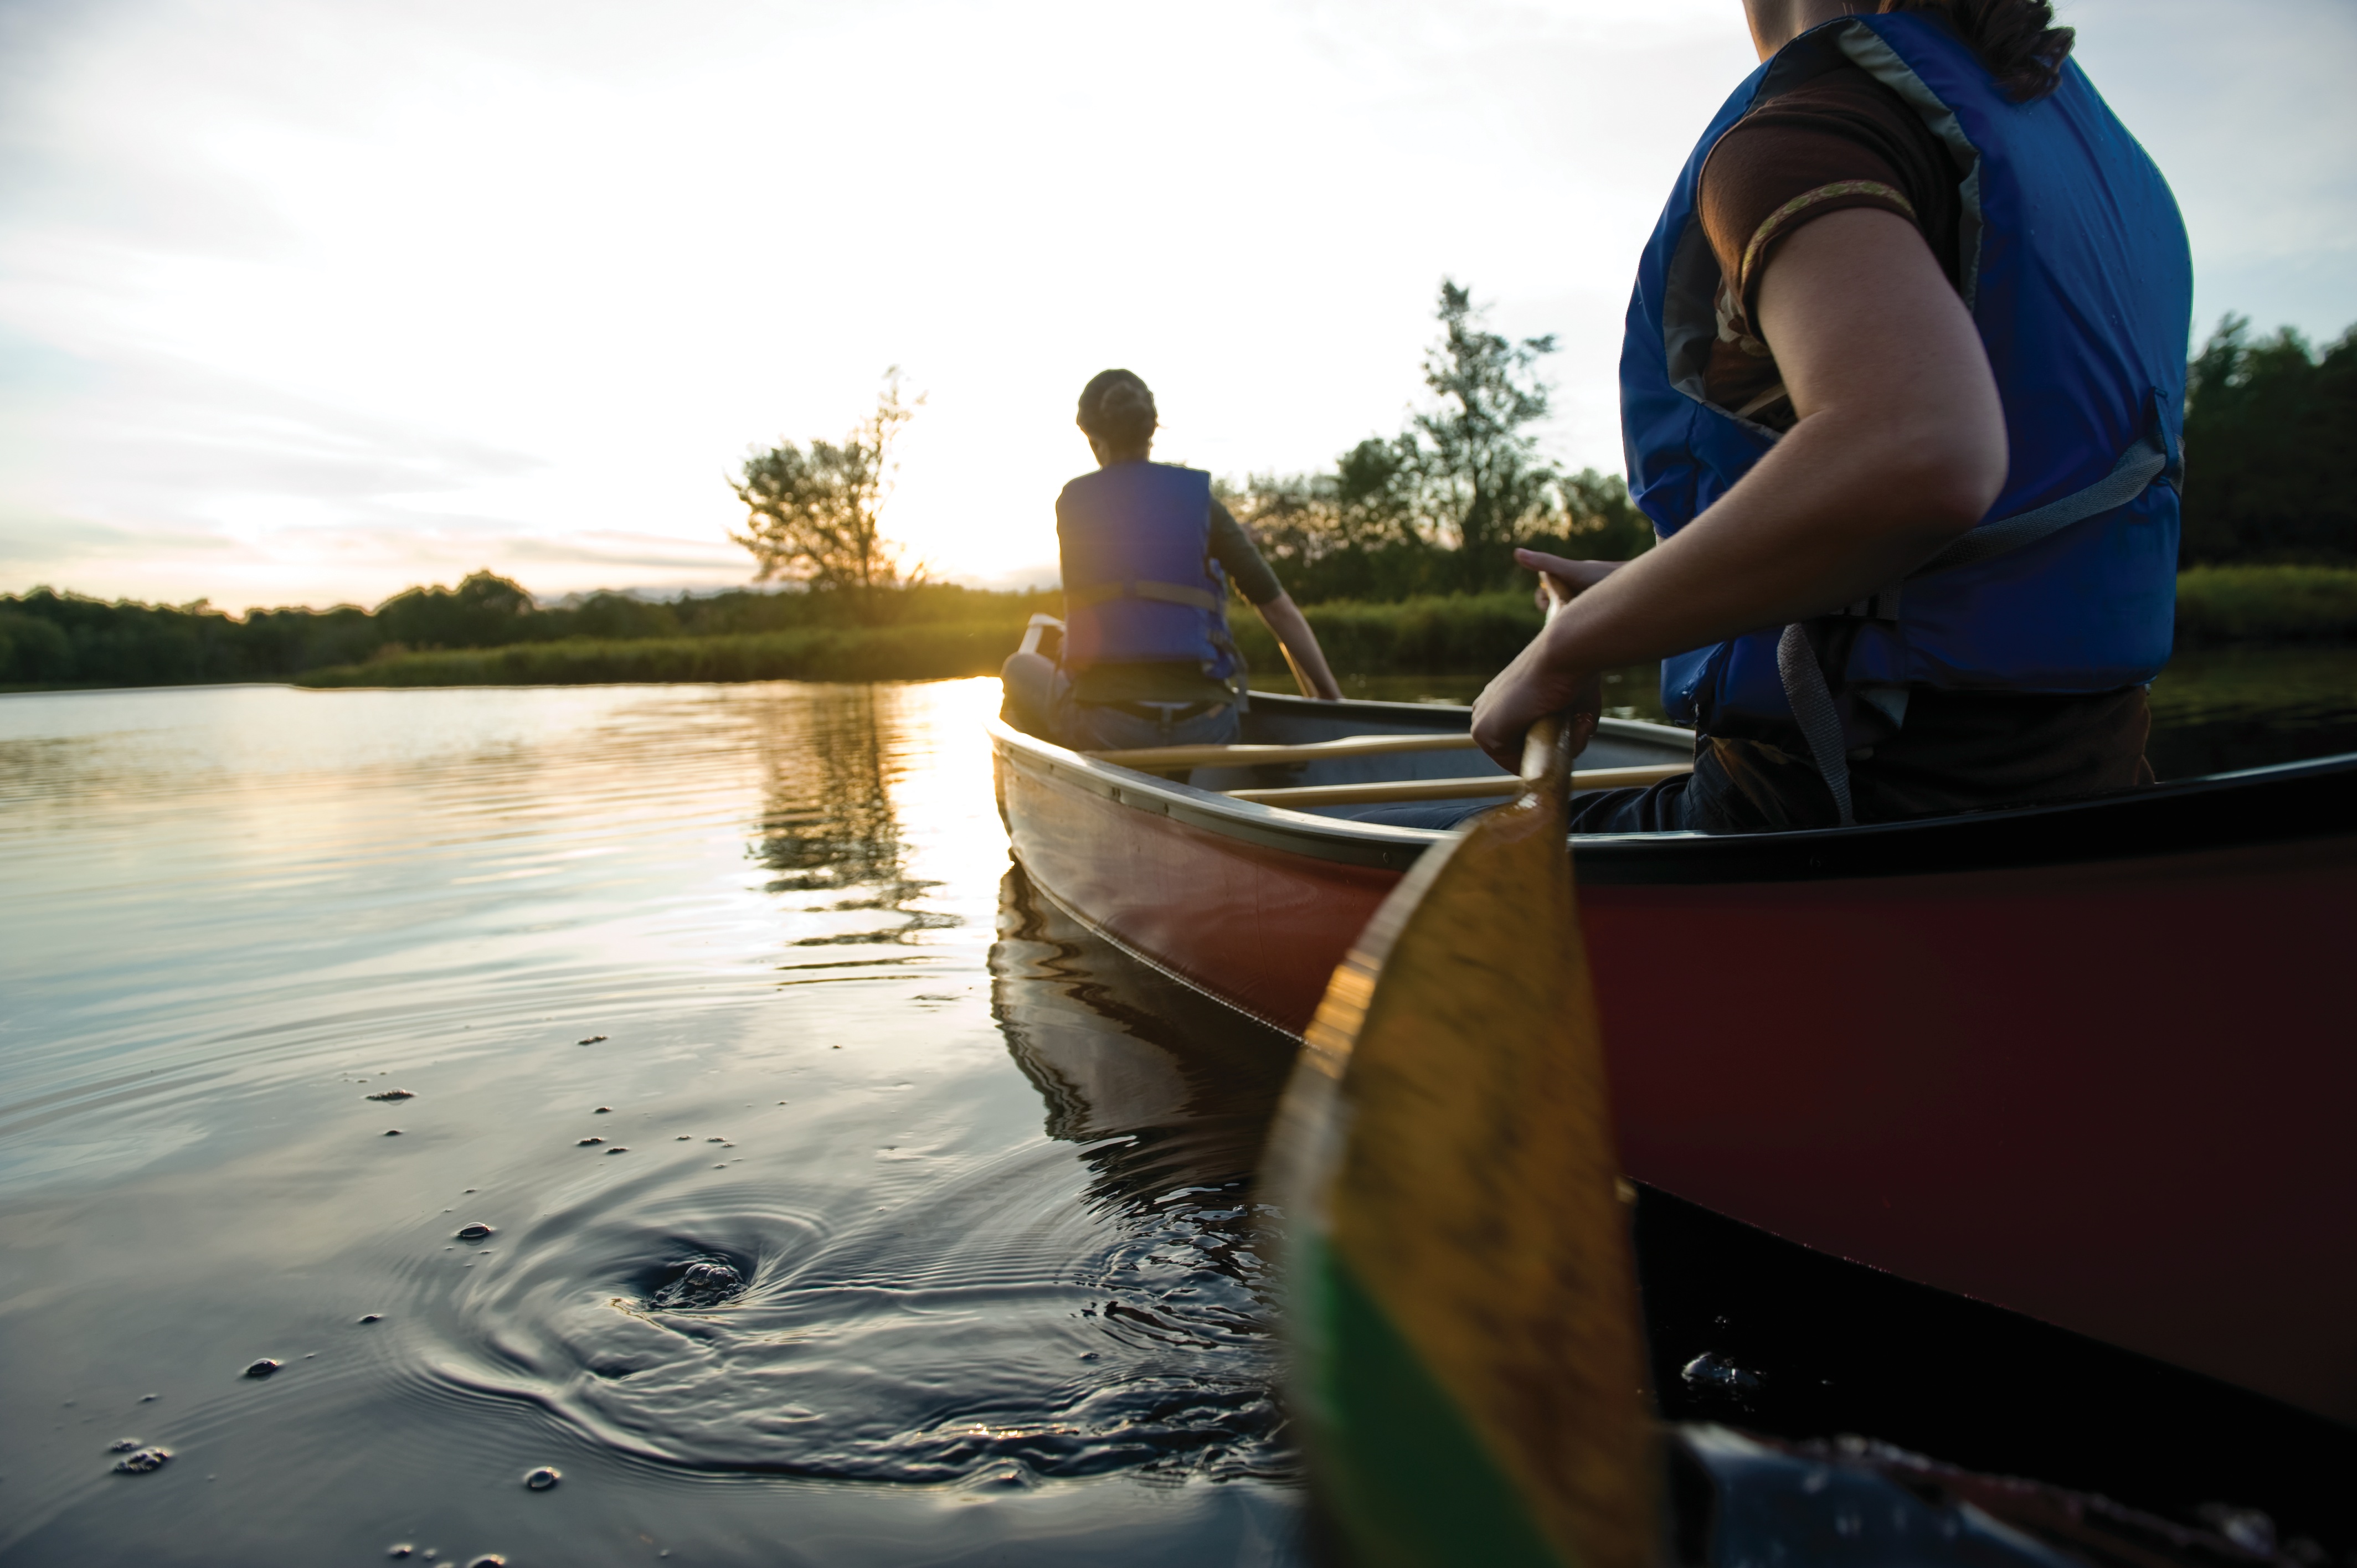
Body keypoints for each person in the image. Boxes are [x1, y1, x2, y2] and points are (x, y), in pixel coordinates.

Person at [1469, 0, 2191, 833]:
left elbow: (1913, 454)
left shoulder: (1801, 138)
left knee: (1417, 868)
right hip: (2097, 779)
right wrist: (1646, 598)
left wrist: (1573, 643)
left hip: (1855, 801)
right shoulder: (2087, 156)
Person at [1001, 369, 1341, 751]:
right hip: (1208, 725)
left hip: (1110, 727)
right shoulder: (1203, 506)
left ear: (1093, 439)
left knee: (1017, 667)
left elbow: (1130, 563)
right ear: (1151, 431)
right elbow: (1279, 611)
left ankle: (1067, 782)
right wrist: (1332, 701)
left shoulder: (1074, 506)